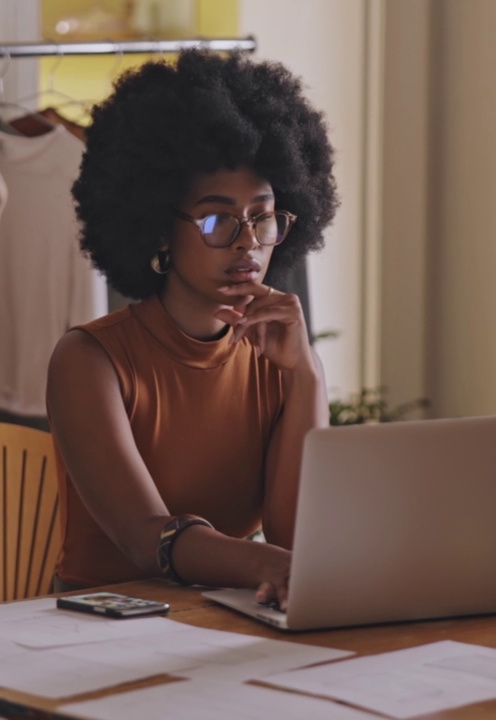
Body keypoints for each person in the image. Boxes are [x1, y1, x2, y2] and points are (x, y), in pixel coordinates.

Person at [46, 49, 339, 611]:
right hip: (98, 630)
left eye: (264, 215)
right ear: (157, 230)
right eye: (216, 219)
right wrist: (263, 565)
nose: (248, 241)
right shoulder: (89, 360)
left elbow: (295, 539)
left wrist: (306, 377)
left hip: (227, 618)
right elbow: (144, 538)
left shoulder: (279, 357)